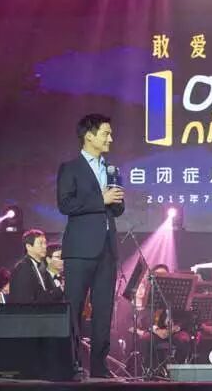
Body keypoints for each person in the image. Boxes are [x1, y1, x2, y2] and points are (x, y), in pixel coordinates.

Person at [57, 113, 125, 379]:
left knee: (104, 310)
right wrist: (101, 199)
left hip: (106, 248)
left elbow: (116, 209)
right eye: (106, 134)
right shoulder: (70, 168)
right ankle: (70, 364)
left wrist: (116, 201)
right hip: (80, 250)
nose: (111, 138)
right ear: (89, 136)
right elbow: (65, 204)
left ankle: (99, 366)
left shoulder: (111, 169)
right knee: (73, 309)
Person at [8, 229, 63, 303]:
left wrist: (60, 289)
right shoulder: (23, 268)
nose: (45, 246)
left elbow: (41, 296)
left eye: (45, 243)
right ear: (29, 246)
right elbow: (25, 300)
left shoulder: (39, 267)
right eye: (40, 243)